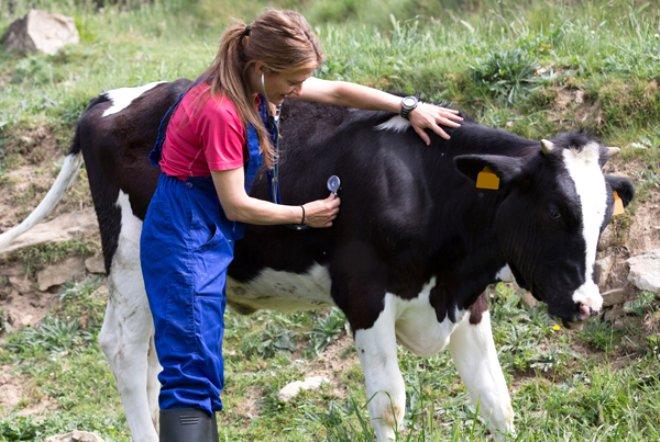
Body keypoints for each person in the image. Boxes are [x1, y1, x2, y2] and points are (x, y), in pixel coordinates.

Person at [140, 9, 462, 441]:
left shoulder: (246, 83)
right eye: (292, 82)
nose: (297, 91)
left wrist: (408, 106)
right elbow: (235, 204)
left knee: (201, 365)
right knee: (189, 373)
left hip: (205, 233)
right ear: (262, 69)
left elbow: (335, 92)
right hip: (186, 238)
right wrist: (304, 215)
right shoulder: (220, 111)